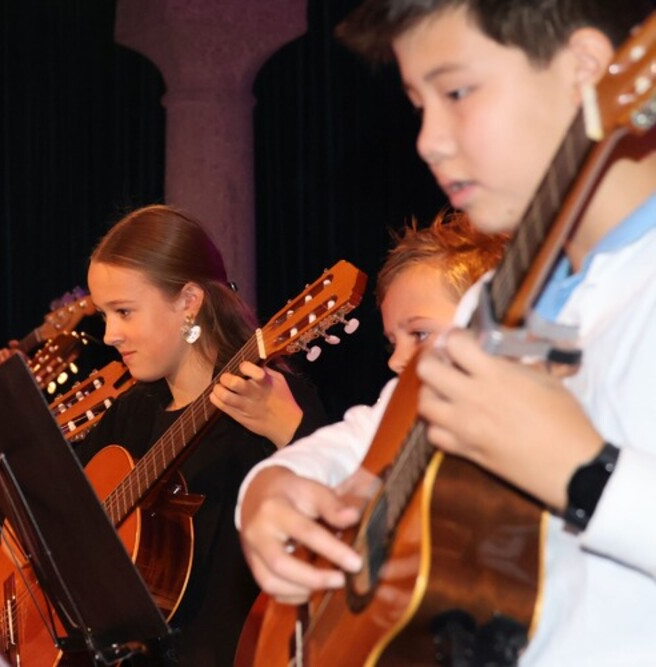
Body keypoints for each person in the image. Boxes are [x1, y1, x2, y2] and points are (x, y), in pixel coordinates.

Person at [242, 1, 655, 663]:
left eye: (457, 92)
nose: (428, 141)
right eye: (418, 104)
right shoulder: (501, 300)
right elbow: (377, 432)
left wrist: (587, 475)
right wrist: (273, 485)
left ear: (586, 69)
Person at [75, 204, 329, 665]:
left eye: (124, 312)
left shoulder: (267, 398)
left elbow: (341, 525)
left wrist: (291, 432)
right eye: (105, 315)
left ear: (189, 301)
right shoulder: (130, 414)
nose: (110, 334)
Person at [237, 210, 506, 597]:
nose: (396, 361)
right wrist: (267, 487)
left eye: (419, 333)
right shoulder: (402, 403)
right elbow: (341, 445)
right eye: (393, 342)